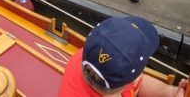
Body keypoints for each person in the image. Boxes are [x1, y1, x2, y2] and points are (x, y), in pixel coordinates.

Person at [58, 16, 187, 97]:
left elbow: (139, 84)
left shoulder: (89, 53)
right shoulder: (122, 74)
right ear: (133, 79)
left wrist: (172, 92)